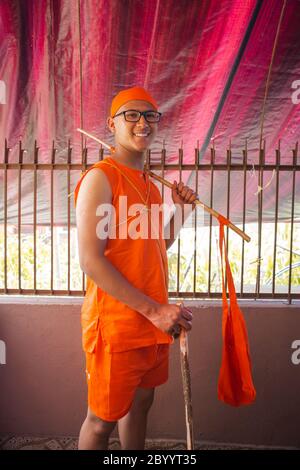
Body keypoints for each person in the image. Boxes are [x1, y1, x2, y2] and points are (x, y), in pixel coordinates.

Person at [74, 86, 197, 450]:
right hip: (117, 324)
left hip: (154, 319)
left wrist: (183, 209)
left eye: (150, 116)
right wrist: (155, 310)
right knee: (101, 422)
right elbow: (91, 261)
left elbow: (158, 245)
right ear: (112, 123)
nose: (142, 122)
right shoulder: (101, 177)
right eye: (132, 115)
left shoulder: (152, 186)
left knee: (140, 405)